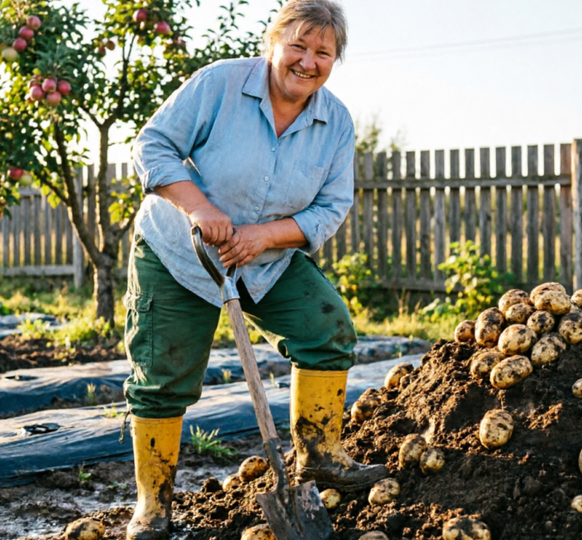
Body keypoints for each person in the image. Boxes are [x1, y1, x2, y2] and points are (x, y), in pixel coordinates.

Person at [126, 0, 385, 538]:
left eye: (323, 52)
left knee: (327, 328)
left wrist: (262, 237)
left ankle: (320, 454)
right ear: (273, 43)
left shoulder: (334, 121)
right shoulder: (219, 85)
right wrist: (199, 207)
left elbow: (331, 207)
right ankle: (153, 506)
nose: (308, 62)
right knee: (163, 379)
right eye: (298, 46)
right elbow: (152, 144)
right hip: (181, 255)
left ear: (335, 60)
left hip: (264, 261)